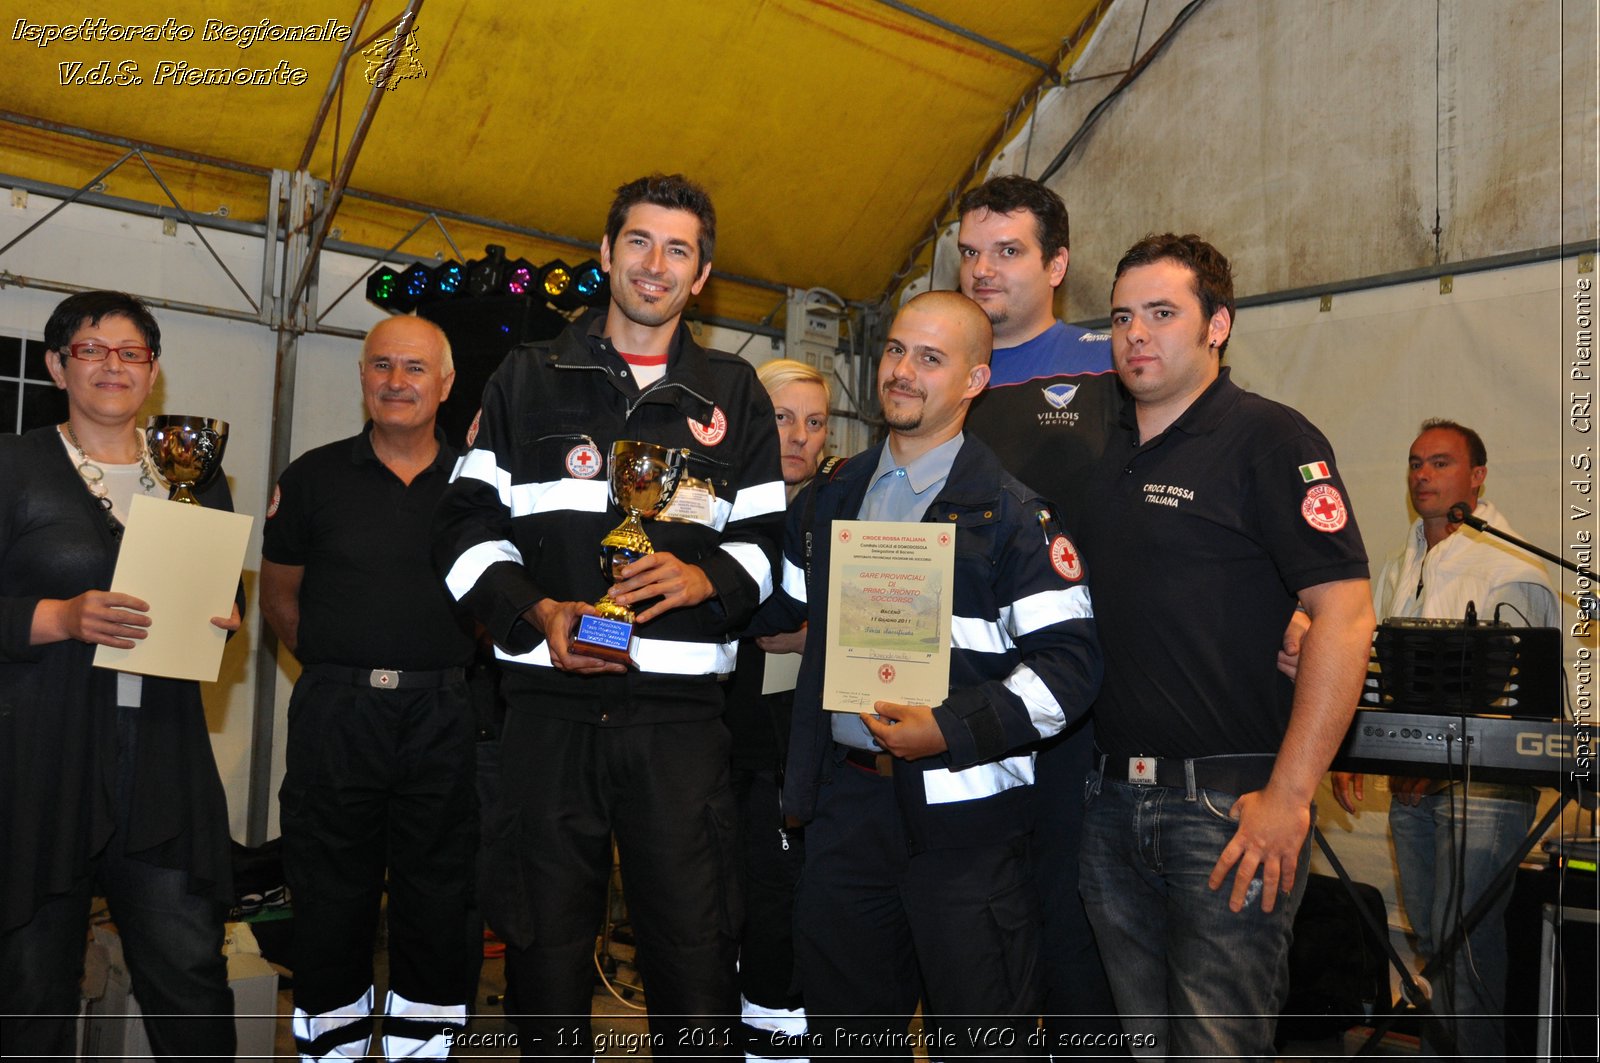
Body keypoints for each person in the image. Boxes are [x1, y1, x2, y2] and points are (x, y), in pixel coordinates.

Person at [433, 173, 785, 1056]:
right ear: (605, 253)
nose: (654, 265)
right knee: (543, 961)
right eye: (638, 242)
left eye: (678, 250)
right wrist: (536, 612)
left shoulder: (734, 395)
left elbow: (772, 545)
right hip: (547, 717)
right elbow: (463, 532)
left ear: (701, 275)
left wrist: (707, 580)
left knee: (695, 959)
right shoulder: (525, 377)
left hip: (679, 729)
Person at [762, 290, 1102, 1057]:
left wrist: (948, 728)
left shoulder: (1014, 517)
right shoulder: (830, 499)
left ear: (975, 380)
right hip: (845, 811)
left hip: (966, 833)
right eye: (894, 351)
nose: (902, 371)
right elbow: (775, 606)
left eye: (930, 357)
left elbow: (1071, 670)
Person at [1075, 234, 1375, 1059]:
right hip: (1108, 806)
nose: (1137, 333)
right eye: (1122, 316)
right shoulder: (1106, 456)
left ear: (1218, 326)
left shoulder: (1271, 439)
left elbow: (1346, 616)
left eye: (1163, 313)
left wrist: (1291, 792)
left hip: (1228, 812)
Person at [0, 290, 241, 1059]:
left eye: (131, 352)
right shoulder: (13, 465)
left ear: (154, 370)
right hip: (41, 756)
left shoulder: (193, 472)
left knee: (190, 975)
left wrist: (224, 611)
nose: (112, 365)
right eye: (91, 349)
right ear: (55, 366)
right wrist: (61, 618)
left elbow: (218, 594)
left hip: (162, 754)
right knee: (31, 983)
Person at [260, 314, 478, 1060]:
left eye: (415, 368)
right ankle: (334, 1048)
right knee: (329, 893)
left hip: (446, 716)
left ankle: (424, 1047)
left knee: (440, 895)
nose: (396, 381)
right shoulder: (312, 477)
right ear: (362, 378)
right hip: (336, 714)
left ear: (445, 384)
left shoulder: (480, 487)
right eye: (382, 365)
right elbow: (280, 594)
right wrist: (335, 664)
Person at [1332, 419, 1556, 1060]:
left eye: (1439, 463)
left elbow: (1522, 703)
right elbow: (1368, 670)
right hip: (1409, 784)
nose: (1422, 476)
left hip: (1483, 790)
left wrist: (1437, 757)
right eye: (1414, 463)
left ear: (1477, 476)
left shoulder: (1511, 564)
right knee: (1433, 936)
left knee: (1469, 941)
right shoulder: (1401, 564)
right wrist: (1354, 750)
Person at [956, 174, 1120, 1041]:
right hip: (962, 698)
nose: (984, 270)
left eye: (1008, 251)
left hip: (1079, 700)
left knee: (1071, 922)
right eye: (971, 252)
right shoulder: (939, 372)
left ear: (1057, 263)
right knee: (978, 930)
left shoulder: (1109, 364)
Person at [725, 358, 830, 1057]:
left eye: (814, 421)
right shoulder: (709, 507)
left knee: (786, 923)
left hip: (799, 764)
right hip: (708, 750)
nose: (797, 436)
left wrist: (814, 634)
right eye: (781, 417)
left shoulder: (849, 509)